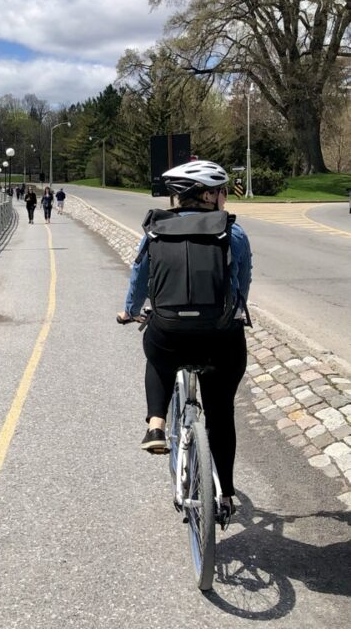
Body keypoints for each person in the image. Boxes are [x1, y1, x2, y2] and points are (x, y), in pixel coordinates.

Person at [116, 160, 252, 519]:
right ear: (208, 196)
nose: (225, 197)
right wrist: (235, 310)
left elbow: (139, 278)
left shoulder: (155, 230)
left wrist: (129, 311)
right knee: (221, 413)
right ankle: (225, 495)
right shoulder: (233, 232)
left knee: (158, 359)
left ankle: (156, 426)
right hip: (220, 337)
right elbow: (241, 284)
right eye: (222, 191)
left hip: (170, 332)